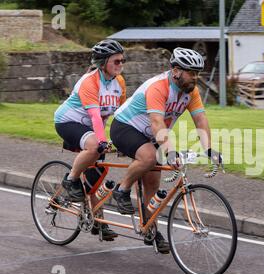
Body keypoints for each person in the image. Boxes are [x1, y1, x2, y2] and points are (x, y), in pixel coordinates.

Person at [110, 47, 223, 254]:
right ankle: (122, 189)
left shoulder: (191, 92)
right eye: (192, 73)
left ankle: (150, 230)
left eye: (198, 73)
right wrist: (170, 151)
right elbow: (156, 122)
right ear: (176, 71)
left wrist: (209, 149)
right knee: (149, 157)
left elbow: (200, 119)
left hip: (152, 134)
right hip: (126, 127)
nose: (195, 78)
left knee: (152, 185)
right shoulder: (159, 87)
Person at [54, 39, 127, 241]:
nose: (121, 64)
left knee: (96, 176)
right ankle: (71, 180)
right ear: (103, 63)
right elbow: (95, 116)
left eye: (123, 60)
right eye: (117, 61)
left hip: (92, 129)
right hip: (68, 121)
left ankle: (98, 221)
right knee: (95, 147)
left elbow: (119, 114)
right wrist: (102, 141)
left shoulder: (119, 83)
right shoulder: (89, 81)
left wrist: (123, 139)